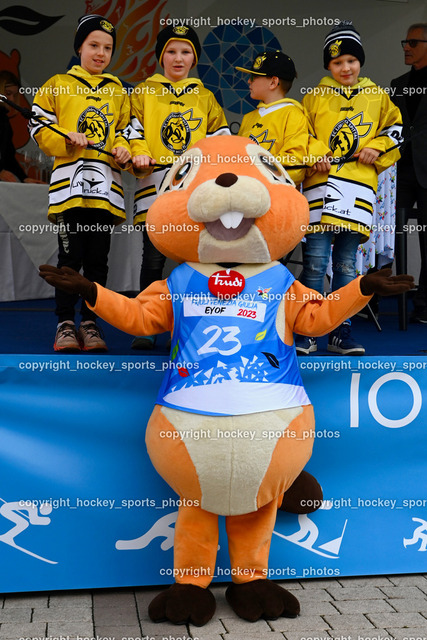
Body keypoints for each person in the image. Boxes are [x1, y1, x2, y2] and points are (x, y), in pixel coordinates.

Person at [295, 20, 403, 355]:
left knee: (345, 264)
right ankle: (308, 330)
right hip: (320, 189)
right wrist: (316, 153)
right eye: (337, 61)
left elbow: (396, 129)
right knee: (315, 262)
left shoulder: (378, 96)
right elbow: (301, 134)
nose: (345, 68)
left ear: (360, 61)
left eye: (351, 60)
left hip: (357, 189)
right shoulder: (313, 97)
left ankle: (341, 331)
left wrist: (377, 147)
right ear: (328, 65)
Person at [29, 14, 132, 352]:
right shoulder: (58, 83)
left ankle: (90, 323)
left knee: (99, 261)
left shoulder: (118, 90)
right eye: (93, 45)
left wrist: (125, 149)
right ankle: (65, 323)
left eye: (108, 48)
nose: (100, 53)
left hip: (105, 192)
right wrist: (64, 137)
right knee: (69, 259)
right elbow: (38, 124)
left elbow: (128, 131)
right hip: (69, 191)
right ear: (79, 47)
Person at [129, 24, 230, 349]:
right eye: (171, 51)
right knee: (152, 260)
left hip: (193, 193)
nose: (178, 58)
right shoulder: (143, 93)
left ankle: (196, 328)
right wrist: (140, 153)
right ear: (161, 56)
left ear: (194, 58)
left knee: (196, 262)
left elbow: (221, 141)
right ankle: (146, 324)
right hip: (154, 191)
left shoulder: (205, 97)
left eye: (185, 52)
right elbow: (132, 131)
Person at [391, 23, 427, 323]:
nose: (406, 47)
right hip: (400, 172)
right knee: (386, 235)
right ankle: (374, 297)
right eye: (405, 42)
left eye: (413, 43)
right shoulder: (398, 83)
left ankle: (423, 304)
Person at [235, 50, 308, 187]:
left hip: (277, 195)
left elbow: (296, 166)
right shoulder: (248, 118)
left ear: (273, 82)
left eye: (254, 76)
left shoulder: (293, 114)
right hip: (246, 193)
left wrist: (256, 173)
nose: (249, 81)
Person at [0, 71, 28, 182]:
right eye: (8, 93)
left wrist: (24, 178)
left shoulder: (4, 118)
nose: (11, 99)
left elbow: (8, 156)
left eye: (15, 95)